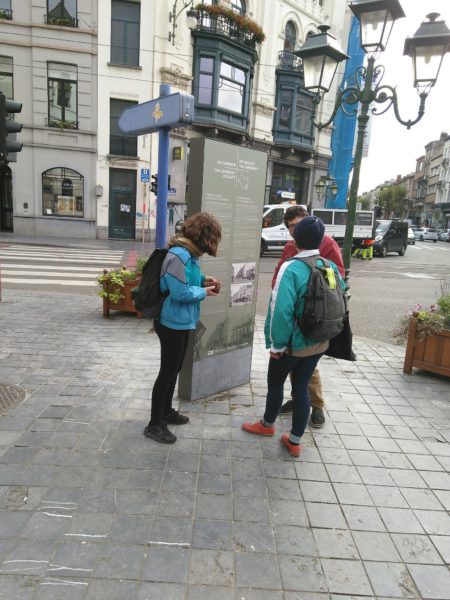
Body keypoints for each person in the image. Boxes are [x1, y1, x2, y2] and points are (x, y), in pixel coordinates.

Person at [242, 216, 345, 457]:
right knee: (301, 388)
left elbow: (281, 311)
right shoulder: (328, 266)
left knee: (276, 383)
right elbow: (341, 295)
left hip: (292, 345)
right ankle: (295, 440)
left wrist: (277, 345)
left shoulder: (291, 267)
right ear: (321, 240)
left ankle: (267, 425)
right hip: (319, 342)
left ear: (295, 238)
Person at [144, 212, 222, 444]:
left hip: (181, 320)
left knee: (174, 369)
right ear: (204, 236)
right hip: (171, 322)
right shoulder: (179, 255)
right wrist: (204, 292)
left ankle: (166, 412)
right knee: (166, 373)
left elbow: (186, 281)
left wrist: (203, 280)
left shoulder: (188, 253)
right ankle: (154, 424)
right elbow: (180, 292)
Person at [271, 205, 345, 427]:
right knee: (296, 362)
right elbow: (279, 272)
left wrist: (316, 294)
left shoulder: (327, 243)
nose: (294, 230)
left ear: (307, 221)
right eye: (290, 227)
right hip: (294, 318)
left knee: (308, 366)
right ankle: (298, 399)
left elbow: (338, 275)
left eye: (297, 225)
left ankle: (317, 405)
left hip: (316, 315)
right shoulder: (289, 247)